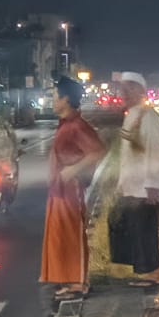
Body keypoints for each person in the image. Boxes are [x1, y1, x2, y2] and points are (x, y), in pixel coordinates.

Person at [40, 77, 106, 300]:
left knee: (72, 236)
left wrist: (73, 170)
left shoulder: (77, 126)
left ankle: (78, 282)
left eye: (54, 96)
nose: (52, 100)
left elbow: (97, 151)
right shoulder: (66, 124)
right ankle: (69, 280)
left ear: (66, 99)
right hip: (58, 191)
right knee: (61, 237)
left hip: (70, 191)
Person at [109, 71, 159, 286]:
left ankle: (147, 274)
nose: (124, 93)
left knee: (142, 229)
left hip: (144, 186)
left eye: (129, 88)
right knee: (123, 225)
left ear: (140, 91)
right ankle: (136, 270)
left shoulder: (148, 116)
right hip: (131, 185)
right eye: (123, 89)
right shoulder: (132, 115)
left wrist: (153, 185)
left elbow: (155, 151)